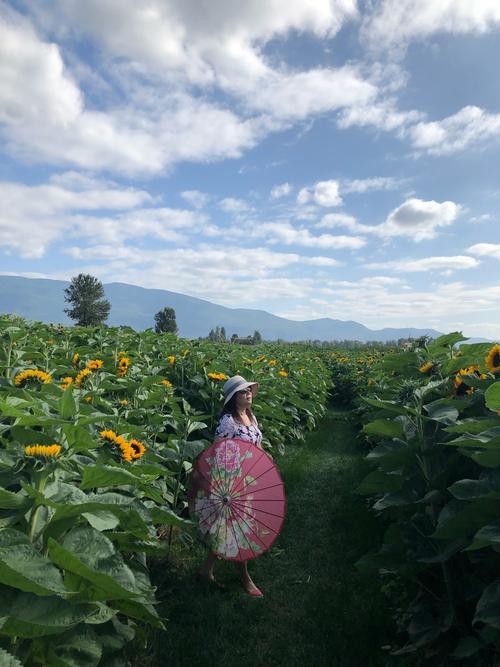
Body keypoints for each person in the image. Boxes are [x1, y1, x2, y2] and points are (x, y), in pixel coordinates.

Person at [197, 374, 264, 598]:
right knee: (239, 529)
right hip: (232, 481)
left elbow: (258, 446)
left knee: (230, 529)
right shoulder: (228, 423)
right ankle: (245, 577)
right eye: (244, 391)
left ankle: (206, 570)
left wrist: (265, 462)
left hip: (250, 479)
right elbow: (216, 452)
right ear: (234, 397)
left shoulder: (251, 419)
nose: (248, 394)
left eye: (249, 390)